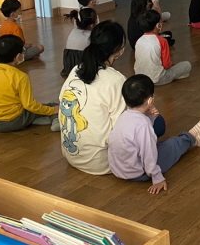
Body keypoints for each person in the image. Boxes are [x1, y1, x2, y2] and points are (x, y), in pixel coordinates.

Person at [58, 21, 152, 174]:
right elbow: (122, 131)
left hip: (72, 156)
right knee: (154, 125)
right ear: (119, 50)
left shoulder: (76, 69)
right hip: (101, 163)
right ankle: (186, 139)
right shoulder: (116, 80)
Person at [107, 74, 200, 194]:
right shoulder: (143, 125)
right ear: (150, 100)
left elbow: (140, 139)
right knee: (171, 144)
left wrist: (151, 117)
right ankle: (192, 137)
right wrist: (157, 178)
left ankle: (193, 139)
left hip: (119, 170)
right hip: (138, 173)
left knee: (161, 145)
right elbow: (148, 154)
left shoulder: (123, 116)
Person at [0, 35, 57, 133]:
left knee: (34, 111)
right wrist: (52, 110)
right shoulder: (21, 76)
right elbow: (29, 105)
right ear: (18, 56)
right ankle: (55, 121)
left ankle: (35, 120)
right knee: (52, 106)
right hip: (16, 120)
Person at [134, 10, 191, 86]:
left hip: (140, 79)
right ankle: (174, 76)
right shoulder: (162, 41)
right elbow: (166, 65)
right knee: (187, 65)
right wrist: (171, 63)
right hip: (159, 79)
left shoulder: (139, 41)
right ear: (158, 25)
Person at [61, 7, 97, 77]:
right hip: (82, 66)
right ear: (92, 25)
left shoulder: (73, 31)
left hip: (69, 66)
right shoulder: (90, 35)